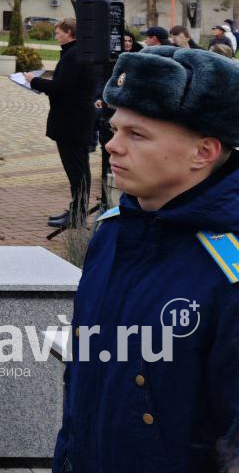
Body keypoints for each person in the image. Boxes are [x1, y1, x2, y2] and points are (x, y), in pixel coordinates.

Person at [51, 46, 239, 470]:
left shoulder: (230, 269)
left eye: (137, 135)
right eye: (113, 129)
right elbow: (85, 381)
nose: (112, 146)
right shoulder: (114, 231)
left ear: (203, 152)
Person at [26, 17, 97, 229]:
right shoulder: (77, 52)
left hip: (72, 121)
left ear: (70, 33)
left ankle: (77, 214)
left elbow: (62, 87)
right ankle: (76, 210)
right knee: (78, 169)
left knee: (77, 170)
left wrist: (33, 81)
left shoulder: (74, 54)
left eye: (58, 33)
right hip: (76, 118)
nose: (56, 36)